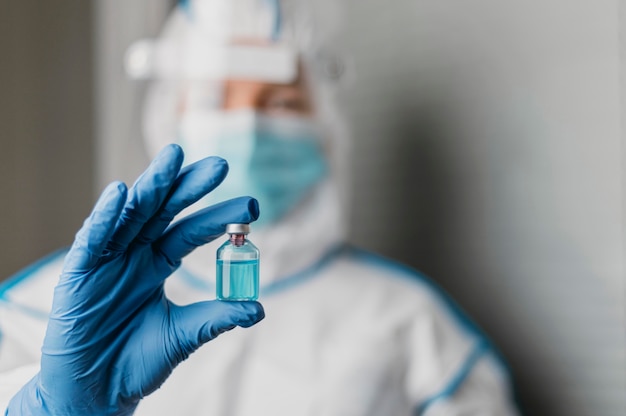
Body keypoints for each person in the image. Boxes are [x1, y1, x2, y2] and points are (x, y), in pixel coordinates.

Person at [1, 0, 521, 414]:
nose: (247, 127)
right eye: (216, 99)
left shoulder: (408, 323)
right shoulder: (48, 311)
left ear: (327, 125)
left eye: (280, 101)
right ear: (166, 115)